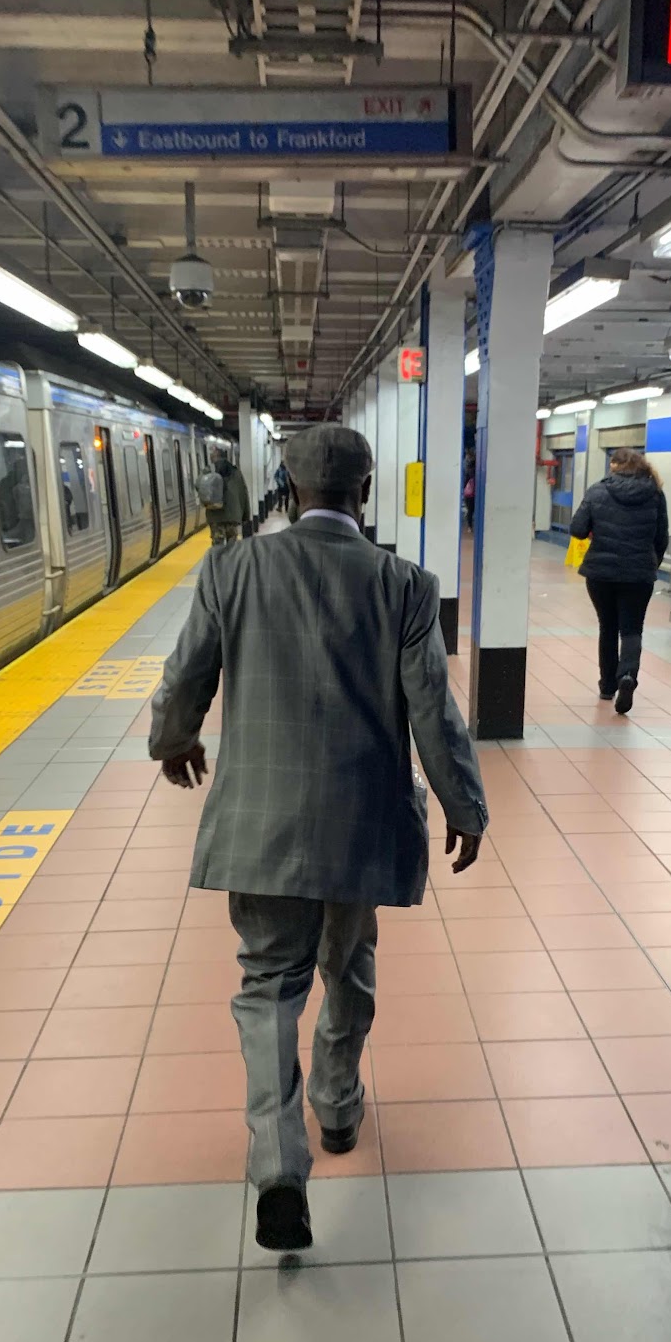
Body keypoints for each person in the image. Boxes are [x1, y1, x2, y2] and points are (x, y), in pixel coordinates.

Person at [149, 424, 488, 1252]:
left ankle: (277, 1165)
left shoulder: (232, 569)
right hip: (362, 823)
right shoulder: (405, 586)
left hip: (261, 827)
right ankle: (336, 1108)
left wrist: (173, 739)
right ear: (365, 492)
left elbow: (187, 673)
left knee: (269, 986)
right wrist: (464, 805)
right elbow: (432, 711)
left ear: (290, 490)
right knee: (349, 965)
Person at [570, 446, 669, 715]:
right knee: (632, 629)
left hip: (601, 573)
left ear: (615, 465)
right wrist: (651, 564)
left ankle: (607, 685)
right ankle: (627, 676)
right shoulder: (655, 493)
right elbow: (662, 537)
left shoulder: (598, 490)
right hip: (639, 574)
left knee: (608, 626)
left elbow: (577, 529)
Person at [204, 446, 251, 545]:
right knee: (232, 545)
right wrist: (246, 516)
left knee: (217, 545)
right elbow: (244, 494)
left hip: (215, 515)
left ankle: (219, 555)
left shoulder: (208, 471)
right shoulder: (236, 472)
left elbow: (200, 488)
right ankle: (231, 555)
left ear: (214, 457)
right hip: (233, 516)